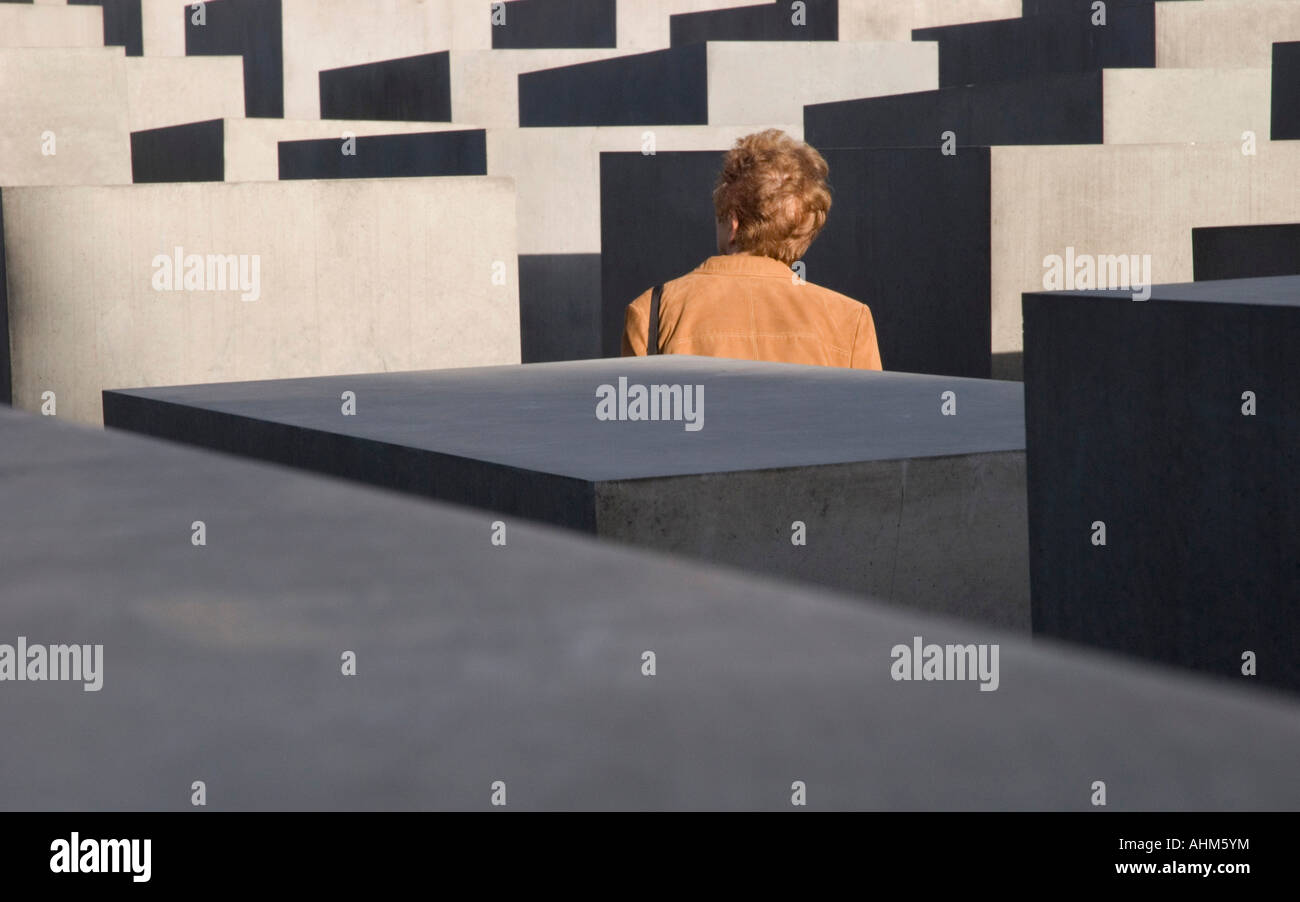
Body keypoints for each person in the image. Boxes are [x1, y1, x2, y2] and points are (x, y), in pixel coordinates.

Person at [621, 129, 882, 369]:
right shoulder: (850, 320)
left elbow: (643, 404)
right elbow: (871, 406)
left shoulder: (654, 310)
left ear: (733, 222)